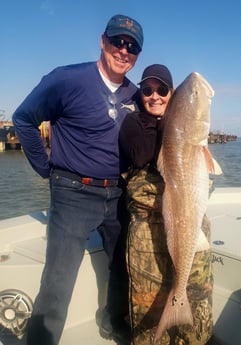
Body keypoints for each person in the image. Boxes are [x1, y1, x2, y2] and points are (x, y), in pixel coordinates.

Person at [12, 14, 144, 345]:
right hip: (72, 194)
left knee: (120, 268)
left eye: (132, 47)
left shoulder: (135, 94)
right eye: (117, 41)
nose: (123, 50)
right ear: (103, 41)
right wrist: (46, 168)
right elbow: (24, 119)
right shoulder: (66, 79)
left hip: (118, 195)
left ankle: (113, 322)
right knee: (58, 282)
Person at [119, 64, 214, 344]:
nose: (155, 96)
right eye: (147, 90)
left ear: (171, 94)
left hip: (189, 227)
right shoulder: (133, 123)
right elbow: (140, 155)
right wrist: (174, 128)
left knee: (195, 308)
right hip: (147, 239)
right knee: (149, 312)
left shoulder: (186, 130)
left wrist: (182, 124)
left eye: (162, 90)